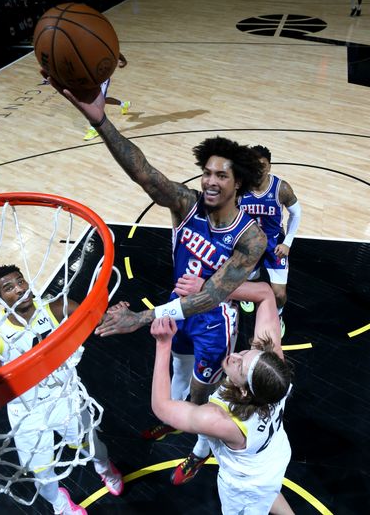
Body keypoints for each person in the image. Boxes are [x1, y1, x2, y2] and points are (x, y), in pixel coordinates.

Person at [44, 68, 269, 485]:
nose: (210, 181)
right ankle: (177, 419)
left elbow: (211, 298)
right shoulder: (186, 204)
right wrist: (100, 120)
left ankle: (200, 450)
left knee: (203, 399)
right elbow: (143, 172)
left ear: (238, 183)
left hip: (214, 325)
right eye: (207, 172)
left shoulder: (250, 238)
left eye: (221, 175)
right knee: (178, 376)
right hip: (177, 308)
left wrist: (141, 318)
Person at [0, 265, 124, 515]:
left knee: (92, 445)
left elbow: (97, 318)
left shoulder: (55, 307)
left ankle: (105, 469)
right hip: (25, 409)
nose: (20, 289)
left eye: (20, 281)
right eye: (9, 288)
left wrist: (114, 314)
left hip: (63, 396)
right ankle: (60, 504)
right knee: (40, 472)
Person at [150, 315, 295, 515]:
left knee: (259, 496)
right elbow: (264, 293)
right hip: (274, 454)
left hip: (247, 484)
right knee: (268, 491)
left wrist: (163, 343)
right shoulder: (273, 376)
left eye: (240, 365)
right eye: (245, 353)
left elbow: (162, 407)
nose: (235, 356)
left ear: (244, 391)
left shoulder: (221, 420)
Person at [238, 145, 302, 335]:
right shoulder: (240, 187)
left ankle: (278, 315)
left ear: (269, 166)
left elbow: (296, 214)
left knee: (279, 294)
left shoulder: (281, 188)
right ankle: (247, 297)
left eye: (262, 165)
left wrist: (288, 242)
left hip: (274, 244)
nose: (258, 169)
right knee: (250, 280)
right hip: (249, 245)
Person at [82, 53, 130, 141]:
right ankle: (124, 104)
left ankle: (94, 129)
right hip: (91, 77)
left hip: (102, 77)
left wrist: (123, 60)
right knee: (102, 99)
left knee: (97, 102)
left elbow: (112, 50)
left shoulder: (96, 44)